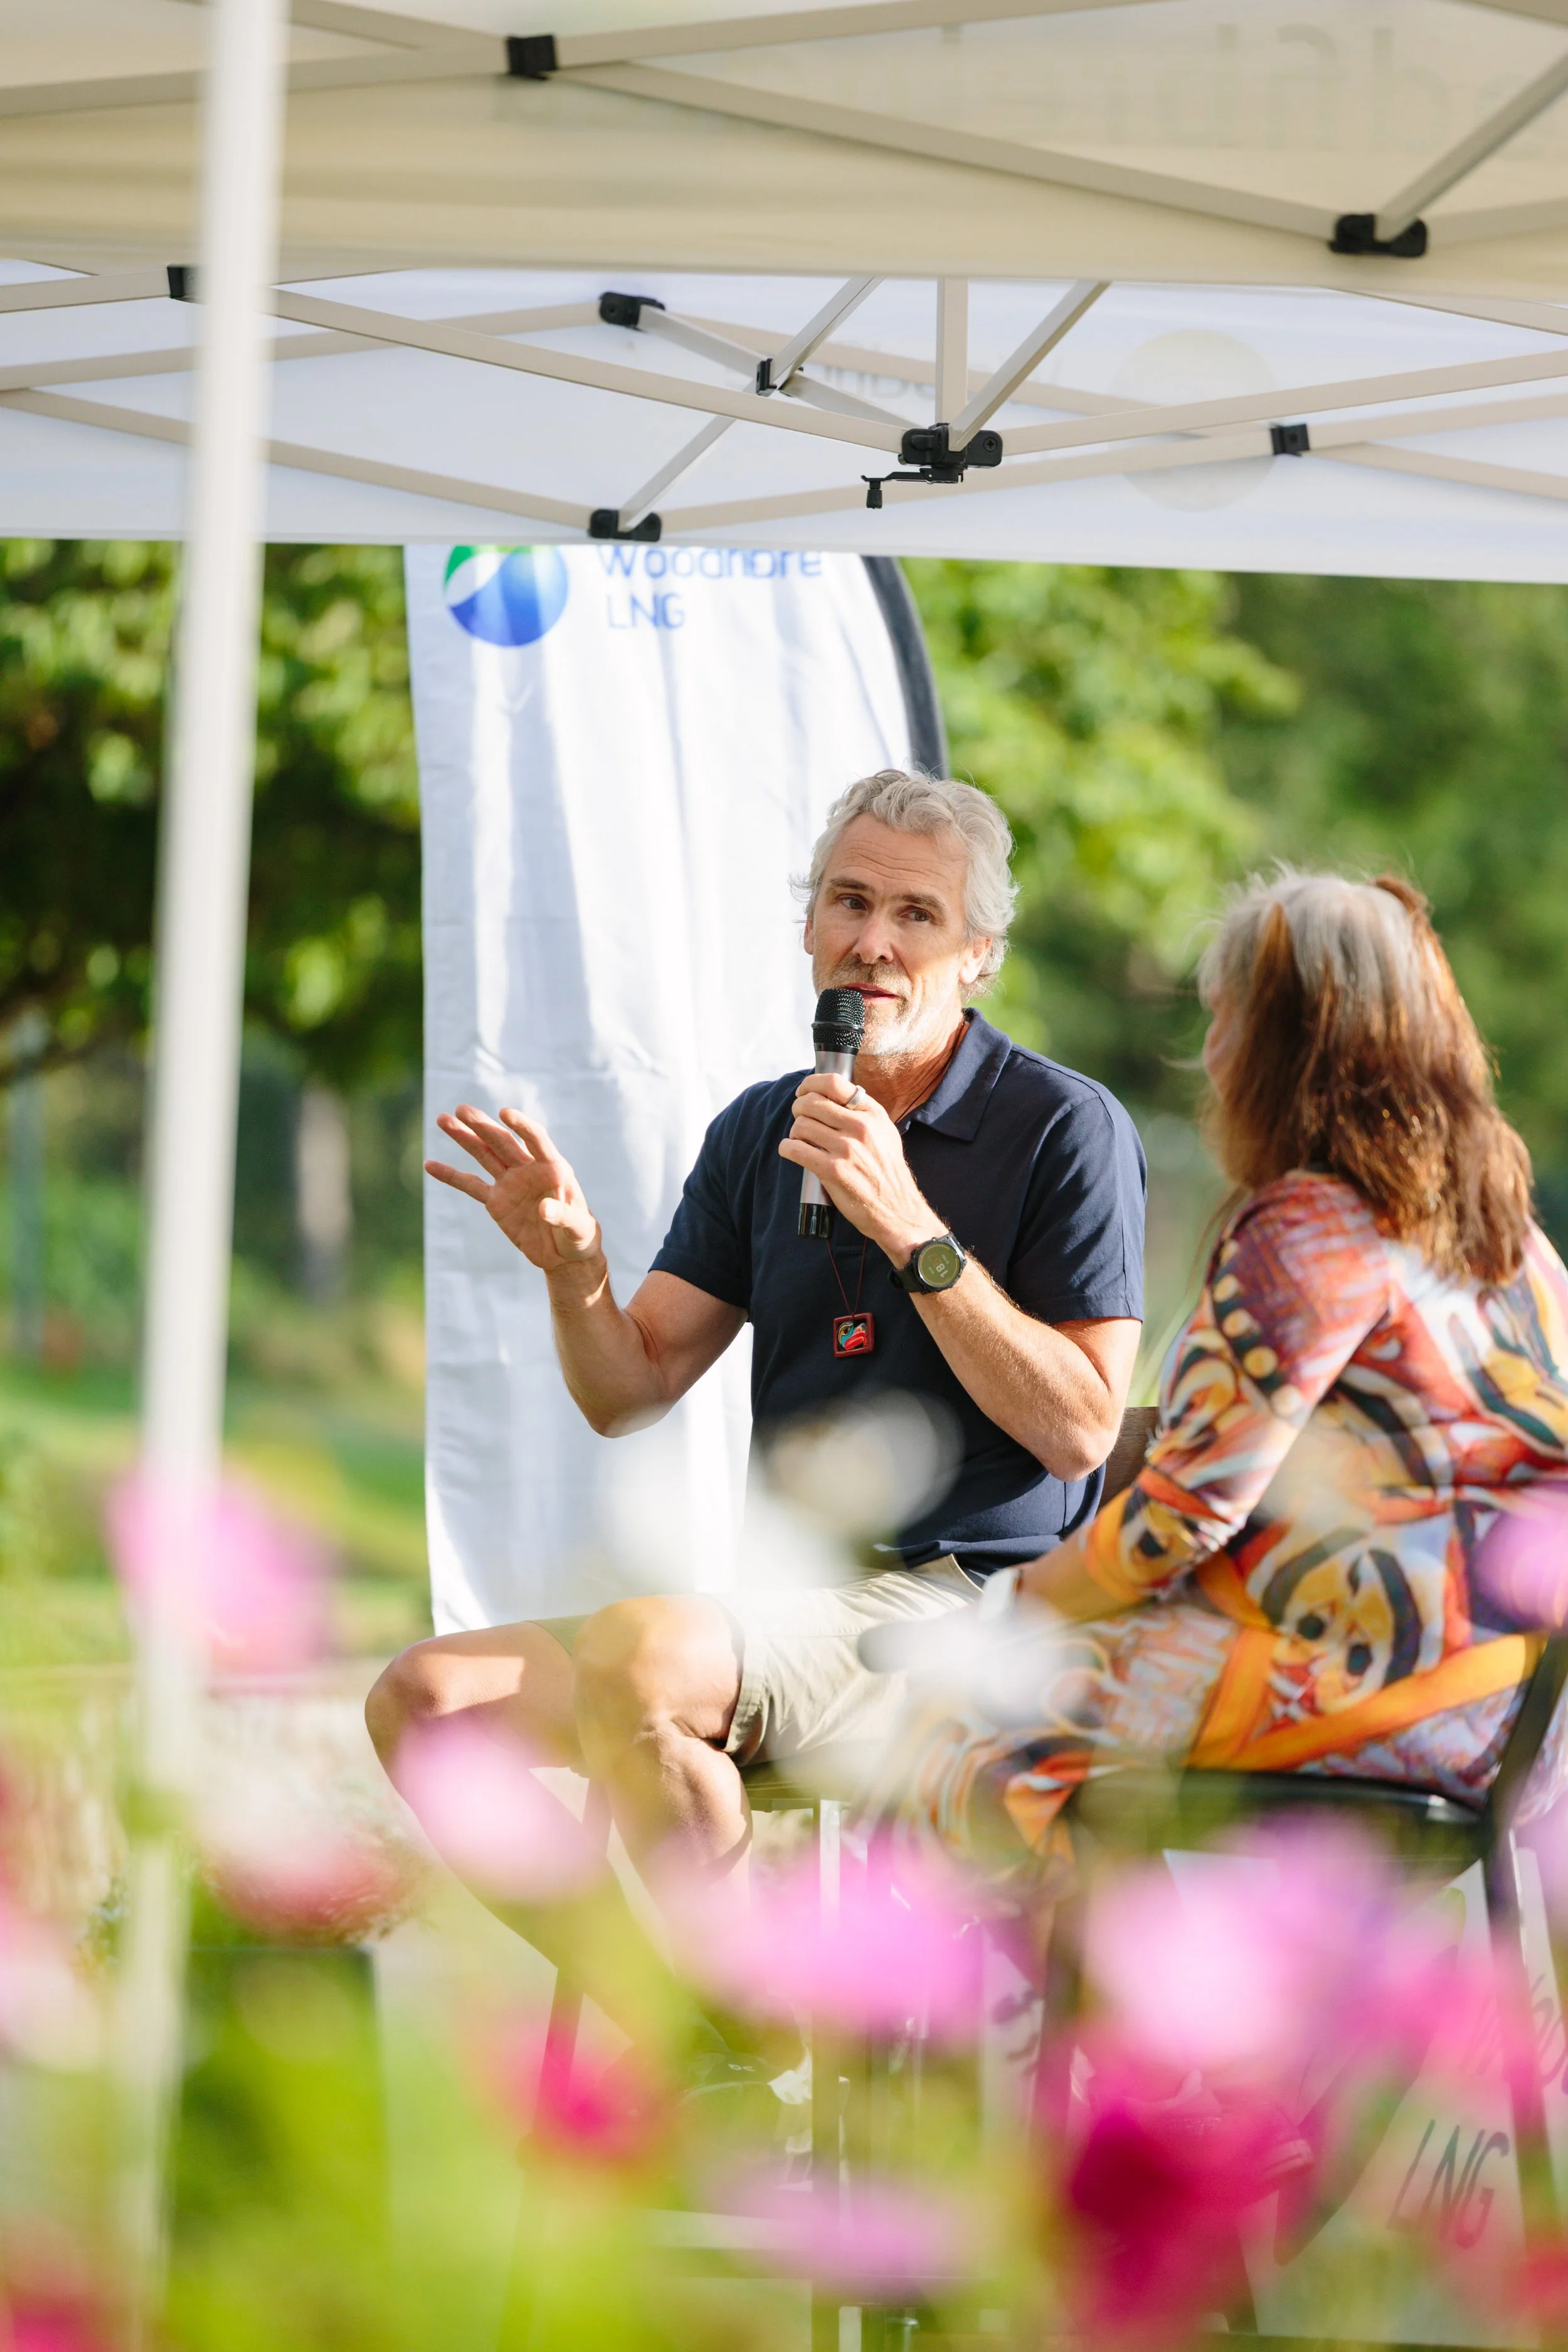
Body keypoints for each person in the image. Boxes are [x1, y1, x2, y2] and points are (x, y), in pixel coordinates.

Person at [366, 768, 1146, 1894]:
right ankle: (706, 2040)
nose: (873, 941)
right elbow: (624, 1390)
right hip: (783, 1601)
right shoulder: (760, 1130)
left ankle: (729, 2021)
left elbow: (1081, 1427)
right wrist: (577, 1268)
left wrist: (907, 1224)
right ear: (810, 927)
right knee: (422, 1700)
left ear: (978, 952)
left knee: (643, 1656)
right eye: (849, 901)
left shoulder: (1064, 1127)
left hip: (975, 1608)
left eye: (916, 914)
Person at [893, 867, 1568, 1903]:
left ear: (1289, 1043)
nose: (1209, 1057)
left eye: (1224, 1022)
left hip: (1372, 1690)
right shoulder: (1518, 1245)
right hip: (1514, 1712)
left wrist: (999, 1615)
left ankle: (1099, 2052)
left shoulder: (1308, 1230)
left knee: (960, 1722)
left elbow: (1180, 1518)